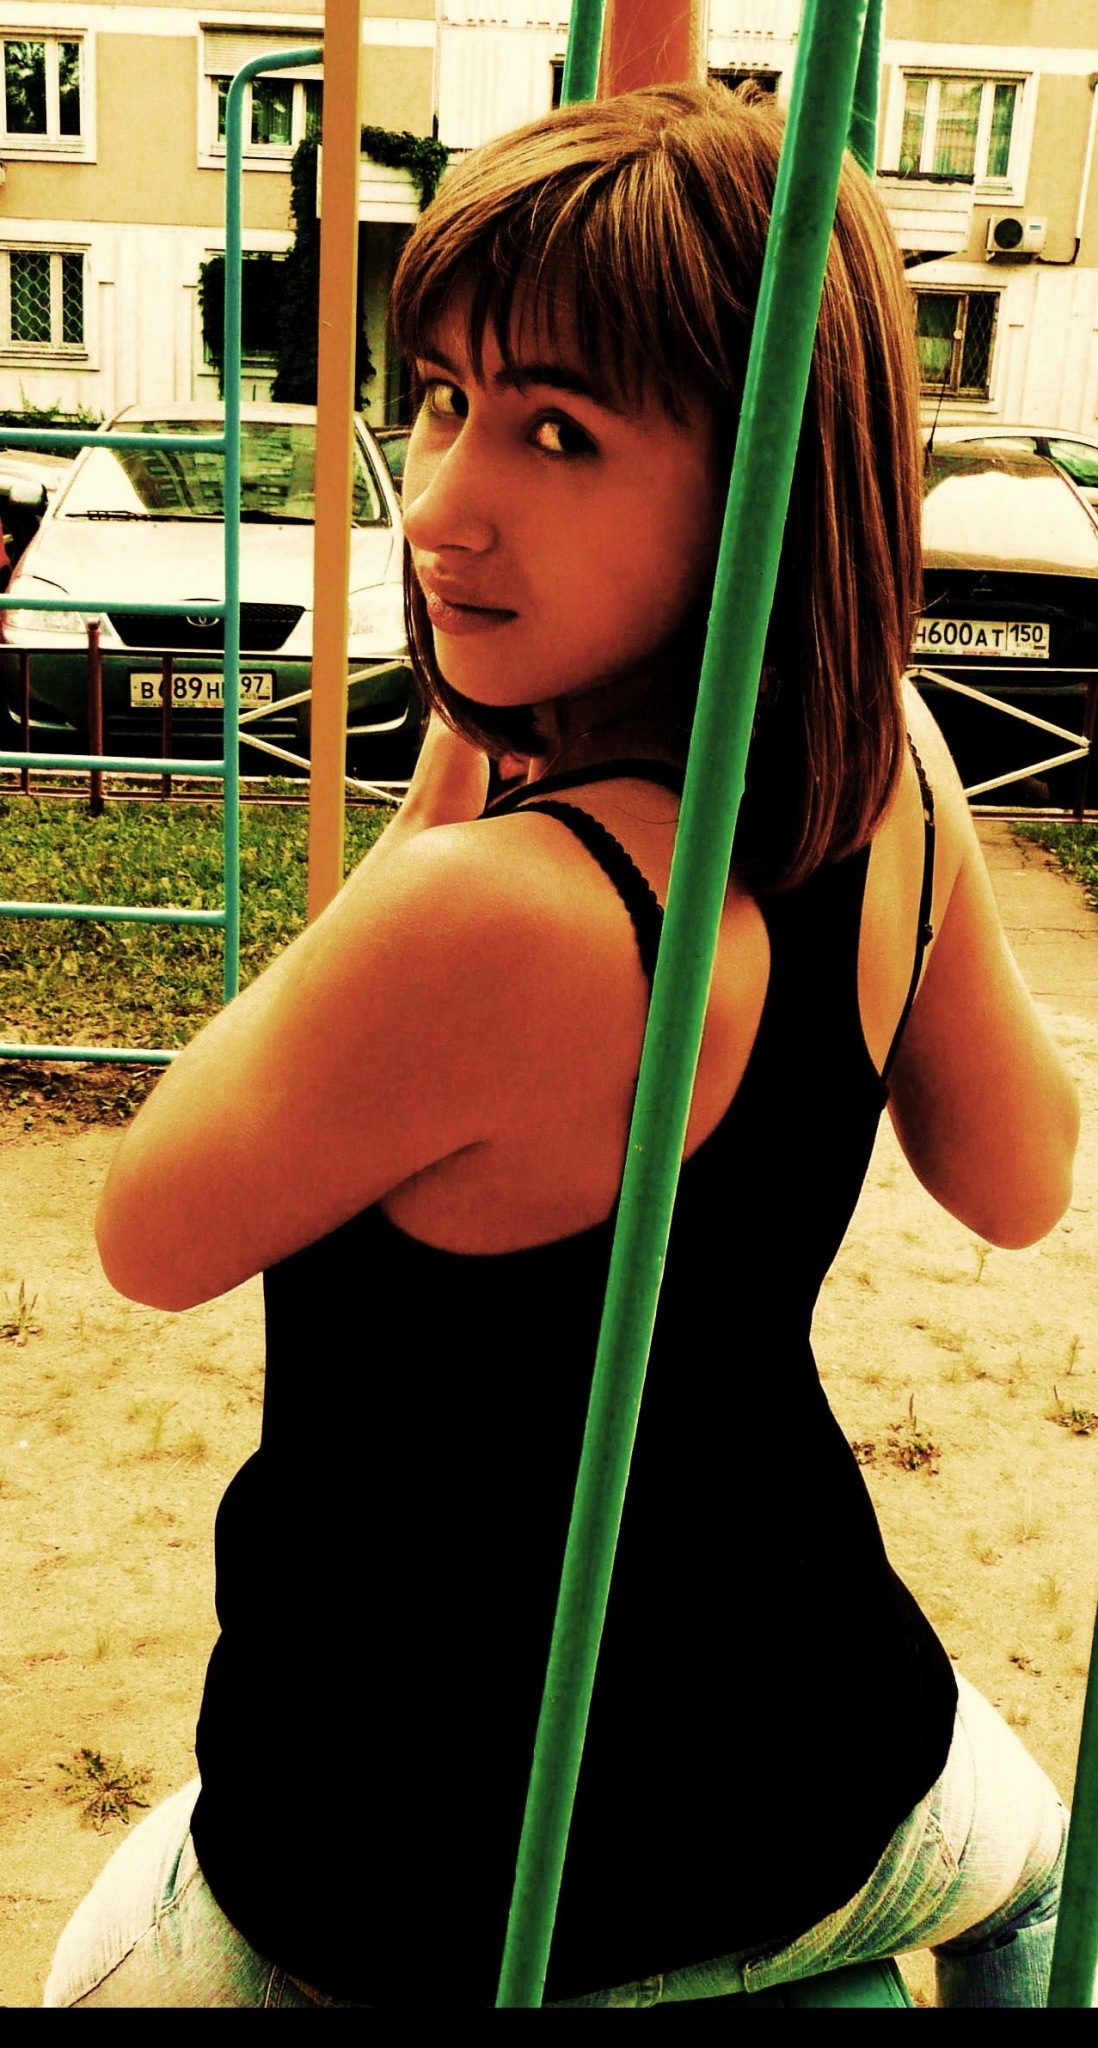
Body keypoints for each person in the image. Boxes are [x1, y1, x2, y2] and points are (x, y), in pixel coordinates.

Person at [46, 84, 1078, 2009]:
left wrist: (450, 785)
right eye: (440, 398)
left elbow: (147, 1229)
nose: (437, 506)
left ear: (769, 485)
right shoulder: (896, 773)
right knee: (1032, 1882)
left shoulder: (501, 913)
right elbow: (1019, 1184)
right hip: (825, 1761)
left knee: (94, 1963)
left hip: (424, 1861)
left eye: (556, 431)